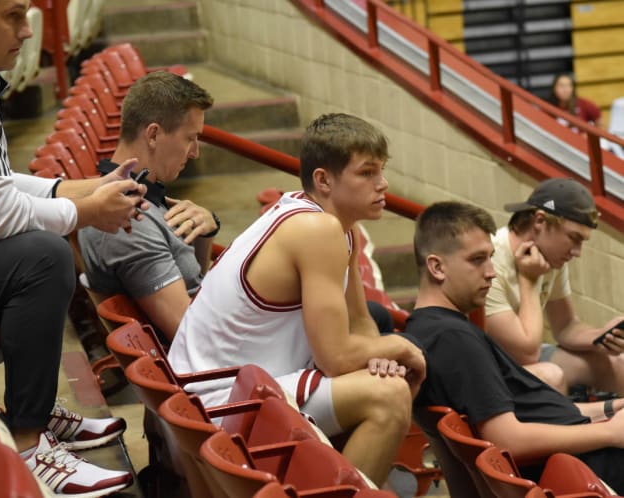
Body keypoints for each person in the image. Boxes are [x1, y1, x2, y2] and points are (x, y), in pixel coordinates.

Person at [0, 0, 148, 494]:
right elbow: (0, 217)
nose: (28, 33)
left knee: (40, 244)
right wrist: (87, 212)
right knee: (42, 258)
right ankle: (27, 440)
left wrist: (80, 188)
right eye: (12, 16)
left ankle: (36, 412)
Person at [168, 113, 426, 487]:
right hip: (217, 404)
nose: (383, 184)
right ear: (323, 180)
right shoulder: (315, 228)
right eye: (367, 172)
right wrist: (402, 348)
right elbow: (335, 358)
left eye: (381, 171)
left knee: (381, 380)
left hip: (233, 390)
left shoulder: (336, 225)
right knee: (389, 398)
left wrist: (380, 356)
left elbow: (360, 322)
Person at [405, 200, 624, 492]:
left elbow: (533, 412)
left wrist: (610, 408)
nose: (491, 272)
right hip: (588, 469)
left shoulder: (432, 329)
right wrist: (609, 432)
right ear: (437, 266)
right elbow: (508, 439)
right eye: (477, 259)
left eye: (491, 258)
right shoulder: (454, 339)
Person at [78, 71, 219, 343]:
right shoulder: (127, 220)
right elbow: (193, 339)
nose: (194, 152)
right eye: (190, 138)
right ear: (153, 134)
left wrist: (205, 230)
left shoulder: (141, 199)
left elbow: (193, 281)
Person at [483, 178, 624, 395]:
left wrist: (600, 337)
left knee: (618, 362)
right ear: (540, 221)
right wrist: (529, 281)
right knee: (550, 376)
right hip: (486, 368)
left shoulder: (549, 256)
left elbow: (566, 326)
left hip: (523, 358)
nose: (577, 252)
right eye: (574, 238)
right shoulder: (491, 260)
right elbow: (525, 355)